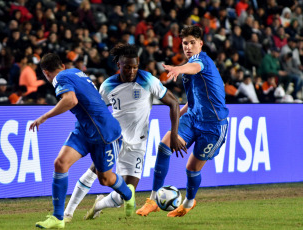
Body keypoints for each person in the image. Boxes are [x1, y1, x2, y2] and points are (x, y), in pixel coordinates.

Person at [63, 44, 185, 222]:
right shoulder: (107, 85)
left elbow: (174, 103)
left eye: (135, 67)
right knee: (93, 172)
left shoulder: (148, 80)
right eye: (127, 67)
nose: (132, 71)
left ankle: (98, 205)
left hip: (138, 145)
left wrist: (174, 135)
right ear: (118, 65)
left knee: (126, 195)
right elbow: (96, 111)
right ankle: (67, 213)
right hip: (114, 138)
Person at [30, 53, 135, 229]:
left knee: (106, 179)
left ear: (46, 72)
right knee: (60, 163)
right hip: (84, 129)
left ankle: (128, 193)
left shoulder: (59, 78)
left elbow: (71, 100)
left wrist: (44, 117)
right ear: (62, 65)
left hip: (104, 132)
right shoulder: (75, 72)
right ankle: (58, 218)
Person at [136, 25, 229, 217]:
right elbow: (192, 101)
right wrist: (178, 117)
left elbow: (194, 66)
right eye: (185, 43)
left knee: (192, 169)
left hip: (213, 126)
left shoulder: (201, 61)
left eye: (192, 43)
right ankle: (153, 200)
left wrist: (178, 68)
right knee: (164, 146)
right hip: (194, 117)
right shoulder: (187, 73)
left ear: (200, 44)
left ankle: (187, 203)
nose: (188, 47)